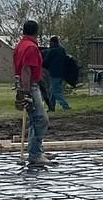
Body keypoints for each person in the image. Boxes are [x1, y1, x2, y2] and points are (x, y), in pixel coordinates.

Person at [13, 19, 49, 172]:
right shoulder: (30, 48)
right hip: (29, 85)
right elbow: (26, 70)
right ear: (36, 32)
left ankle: (36, 150)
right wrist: (26, 92)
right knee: (41, 119)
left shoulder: (20, 45)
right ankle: (35, 154)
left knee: (35, 119)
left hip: (24, 83)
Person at [42, 34, 72, 111]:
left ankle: (65, 106)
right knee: (52, 90)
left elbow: (46, 61)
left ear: (52, 42)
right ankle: (51, 107)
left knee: (55, 91)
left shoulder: (52, 51)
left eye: (50, 43)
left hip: (54, 73)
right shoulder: (62, 50)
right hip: (62, 73)